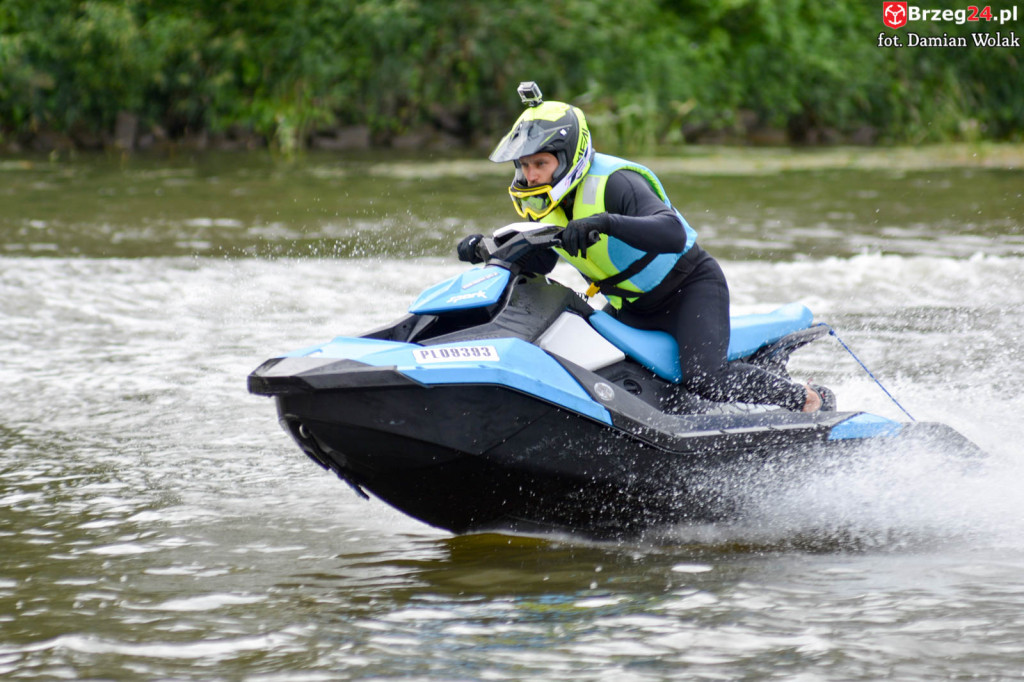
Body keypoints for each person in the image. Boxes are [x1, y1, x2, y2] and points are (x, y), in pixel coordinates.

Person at [458, 86, 833, 413]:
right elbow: (544, 260)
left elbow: (670, 233)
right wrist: (492, 250)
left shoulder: (616, 182)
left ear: (570, 155)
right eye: (524, 166)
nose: (531, 175)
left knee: (707, 378)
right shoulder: (541, 203)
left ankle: (806, 399)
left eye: (540, 163)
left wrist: (603, 223)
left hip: (689, 290)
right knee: (574, 356)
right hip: (630, 308)